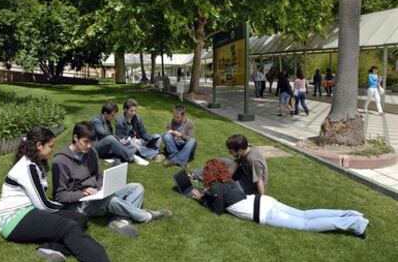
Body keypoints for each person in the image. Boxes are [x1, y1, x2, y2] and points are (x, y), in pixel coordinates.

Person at [0, 127, 119, 262]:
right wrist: (64, 206)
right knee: (69, 227)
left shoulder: (35, 162)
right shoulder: (27, 167)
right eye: (51, 146)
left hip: (29, 210)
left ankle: (51, 248)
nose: (53, 149)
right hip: (13, 219)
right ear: (39, 146)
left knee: (80, 217)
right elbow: (43, 205)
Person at [191, 159, 369, 238]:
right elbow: (221, 198)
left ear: (209, 174)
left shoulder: (216, 187)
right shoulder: (227, 180)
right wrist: (208, 194)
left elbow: (218, 210)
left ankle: (355, 224)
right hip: (266, 201)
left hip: (264, 213)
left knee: (306, 225)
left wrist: (201, 199)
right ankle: (351, 214)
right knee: (305, 214)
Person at [52, 122, 172, 237]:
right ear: (75, 137)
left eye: (91, 142)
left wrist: (102, 188)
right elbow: (60, 196)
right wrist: (83, 193)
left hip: (96, 194)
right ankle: (147, 216)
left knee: (137, 187)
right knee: (112, 200)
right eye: (85, 142)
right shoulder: (60, 161)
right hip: (78, 204)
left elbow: (98, 176)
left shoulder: (91, 152)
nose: (89, 146)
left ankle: (120, 221)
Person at [91, 101, 148, 166]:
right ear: (105, 113)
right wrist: (117, 139)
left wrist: (120, 141)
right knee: (111, 139)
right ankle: (131, 157)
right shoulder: (96, 121)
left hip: (105, 148)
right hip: (95, 150)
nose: (114, 117)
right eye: (112, 115)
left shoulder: (107, 122)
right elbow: (105, 134)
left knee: (127, 142)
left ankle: (118, 157)